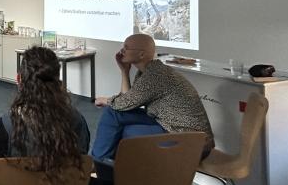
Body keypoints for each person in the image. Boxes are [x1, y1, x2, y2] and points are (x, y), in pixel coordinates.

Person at [0, 47, 91, 185]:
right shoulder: (78, 121)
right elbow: (78, 167)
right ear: (58, 81)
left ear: (19, 80)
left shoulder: (1, 127)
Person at [90, 34, 214, 166]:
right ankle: (103, 166)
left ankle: (98, 165)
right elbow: (127, 103)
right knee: (115, 115)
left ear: (141, 54)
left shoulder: (155, 76)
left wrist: (105, 100)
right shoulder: (148, 71)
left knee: (123, 130)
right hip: (170, 125)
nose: (122, 51)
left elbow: (123, 103)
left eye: (126, 48)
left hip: (190, 140)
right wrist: (124, 71)